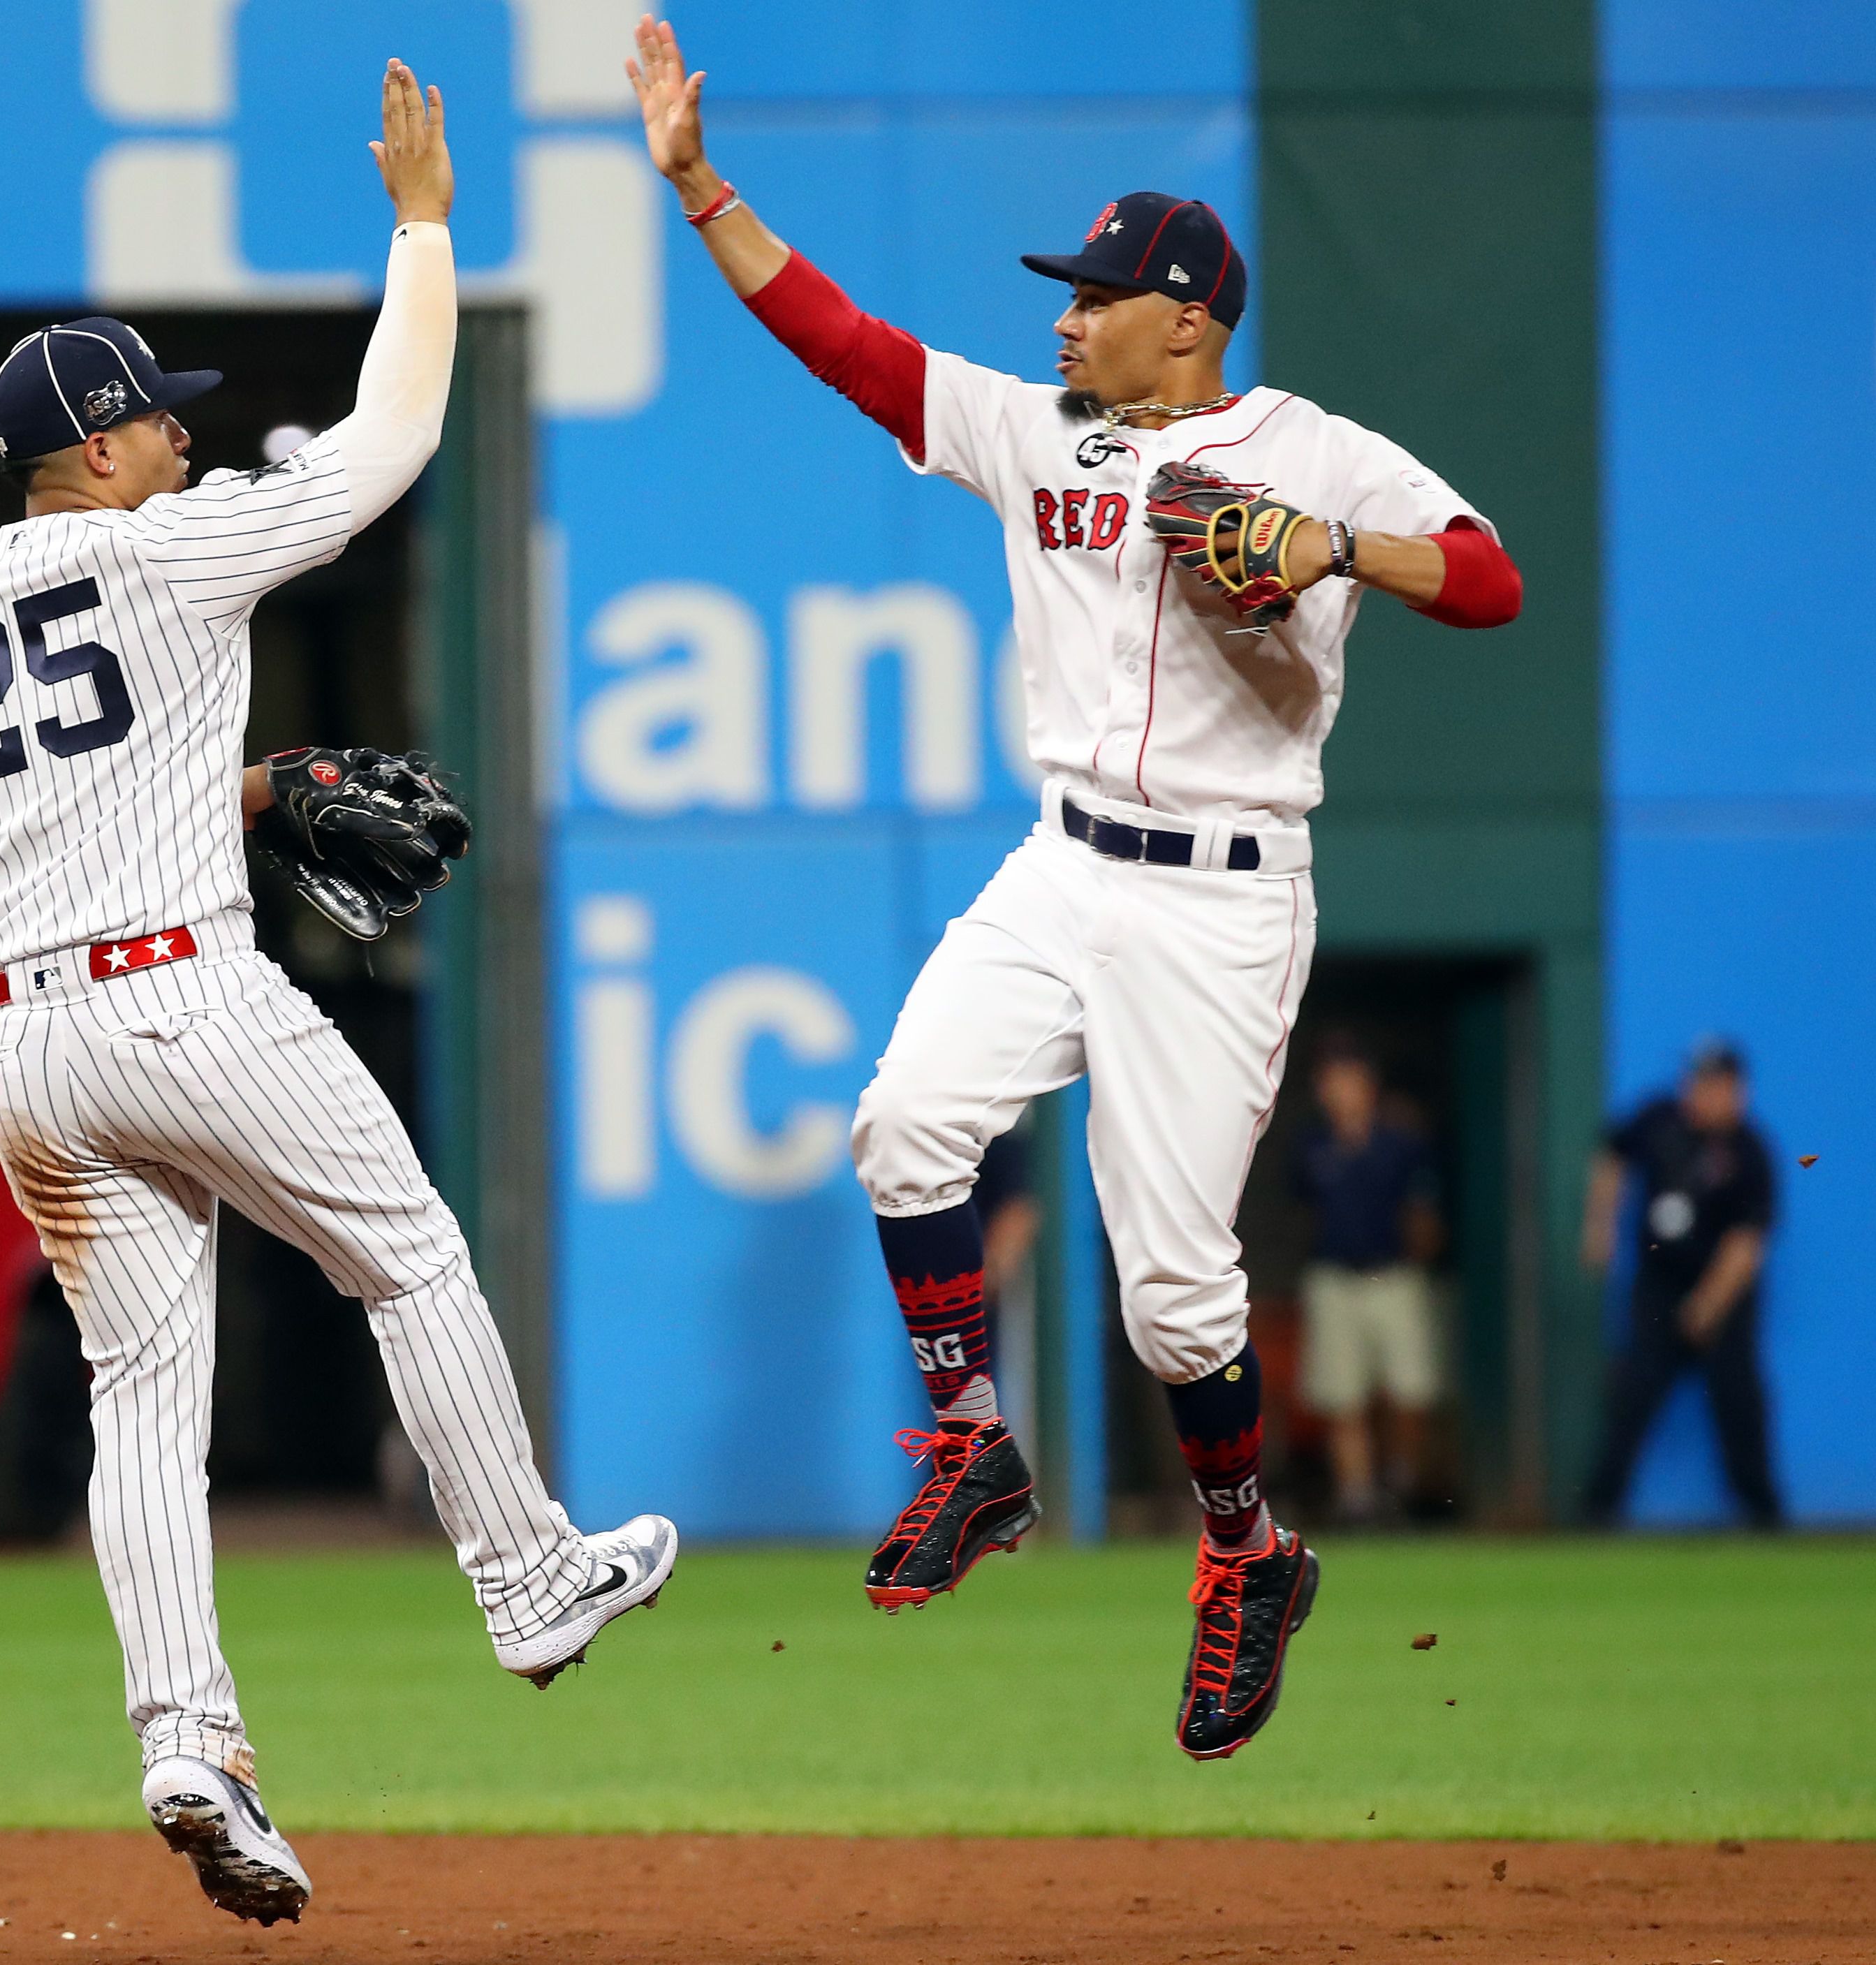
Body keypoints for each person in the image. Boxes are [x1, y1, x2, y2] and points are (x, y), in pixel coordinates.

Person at [627, 15, 1521, 1760]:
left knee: (1172, 1298)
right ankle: (973, 1446)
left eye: (1095, 294)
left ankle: (1246, 1556)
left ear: (1186, 313)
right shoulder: (1044, 435)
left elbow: (1487, 582)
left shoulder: (1311, 450)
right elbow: (855, 353)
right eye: (1063, 292)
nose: (1062, 316)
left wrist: (1332, 547)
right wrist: (696, 189)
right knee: (899, 1128)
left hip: (1219, 898)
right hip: (1061, 864)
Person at [0, 64, 675, 1927]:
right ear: (93, 450)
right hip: (181, 997)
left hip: (26, 1038)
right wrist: (421, 226)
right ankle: (525, 1578)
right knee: (405, 1250)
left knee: (141, 1393)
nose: (177, 438)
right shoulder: (167, 544)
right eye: (152, 421)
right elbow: (396, 431)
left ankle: (185, 1738)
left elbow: (32, 800)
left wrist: (256, 786)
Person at [1581, 1040, 1782, 1529]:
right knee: (1631, 1398)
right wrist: (1600, 1224)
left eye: (1717, 1085)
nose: (1704, 1093)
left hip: (1722, 1293)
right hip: (1659, 1283)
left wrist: (1707, 1307)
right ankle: (1596, 1515)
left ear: (1738, 1091)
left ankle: (1765, 1520)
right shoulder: (1659, 1118)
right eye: (1698, 1081)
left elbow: (1746, 1244)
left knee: (1739, 1402)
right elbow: (1612, 1155)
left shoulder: (1750, 1152)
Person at [1293, 1038, 1444, 1524]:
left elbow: (1423, 1212)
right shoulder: (1312, 1146)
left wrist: (1418, 1259)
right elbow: (1301, 1211)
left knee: (1410, 1390)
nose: (1340, 1092)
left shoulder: (1400, 1142)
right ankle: (1357, 1498)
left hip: (1391, 1275)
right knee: (1343, 1396)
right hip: (1335, 1276)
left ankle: (1402, 1484)